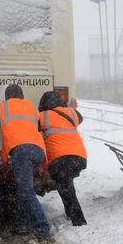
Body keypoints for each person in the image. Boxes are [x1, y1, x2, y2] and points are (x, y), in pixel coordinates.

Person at [0, 83, 53, 242]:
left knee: (26, 190)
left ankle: (43, 228)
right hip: (38, 150)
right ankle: (20, 224)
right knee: (23, 187)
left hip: (22, 149)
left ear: (7, 96)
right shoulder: (31, 107)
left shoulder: (5, 106)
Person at [38, 91, 87, 226]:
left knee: (66, 188)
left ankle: (79, 221)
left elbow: (33, 127)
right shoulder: (70, 113)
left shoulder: (42, 116)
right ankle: (70, 215)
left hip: (60, 158)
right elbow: (79, 118)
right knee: (65, 184)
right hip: (79, 157)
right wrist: (72, 108)